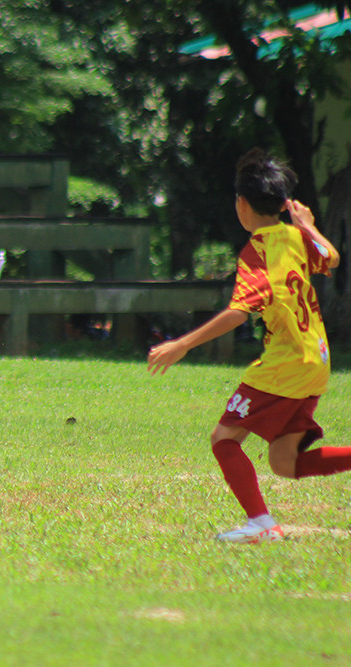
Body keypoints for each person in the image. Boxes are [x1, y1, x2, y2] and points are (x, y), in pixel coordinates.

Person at [147, 148, 351, 544]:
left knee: (224, 439)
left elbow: (238, 312)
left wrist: (182, 344)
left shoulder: (256, 251)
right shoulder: (294, 237)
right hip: (316, 362)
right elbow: (332, 258)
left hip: (284, 365)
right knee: (285, 462)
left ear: (242, 204)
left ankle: (261, 523)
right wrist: (308, 226)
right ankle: (261, 521)